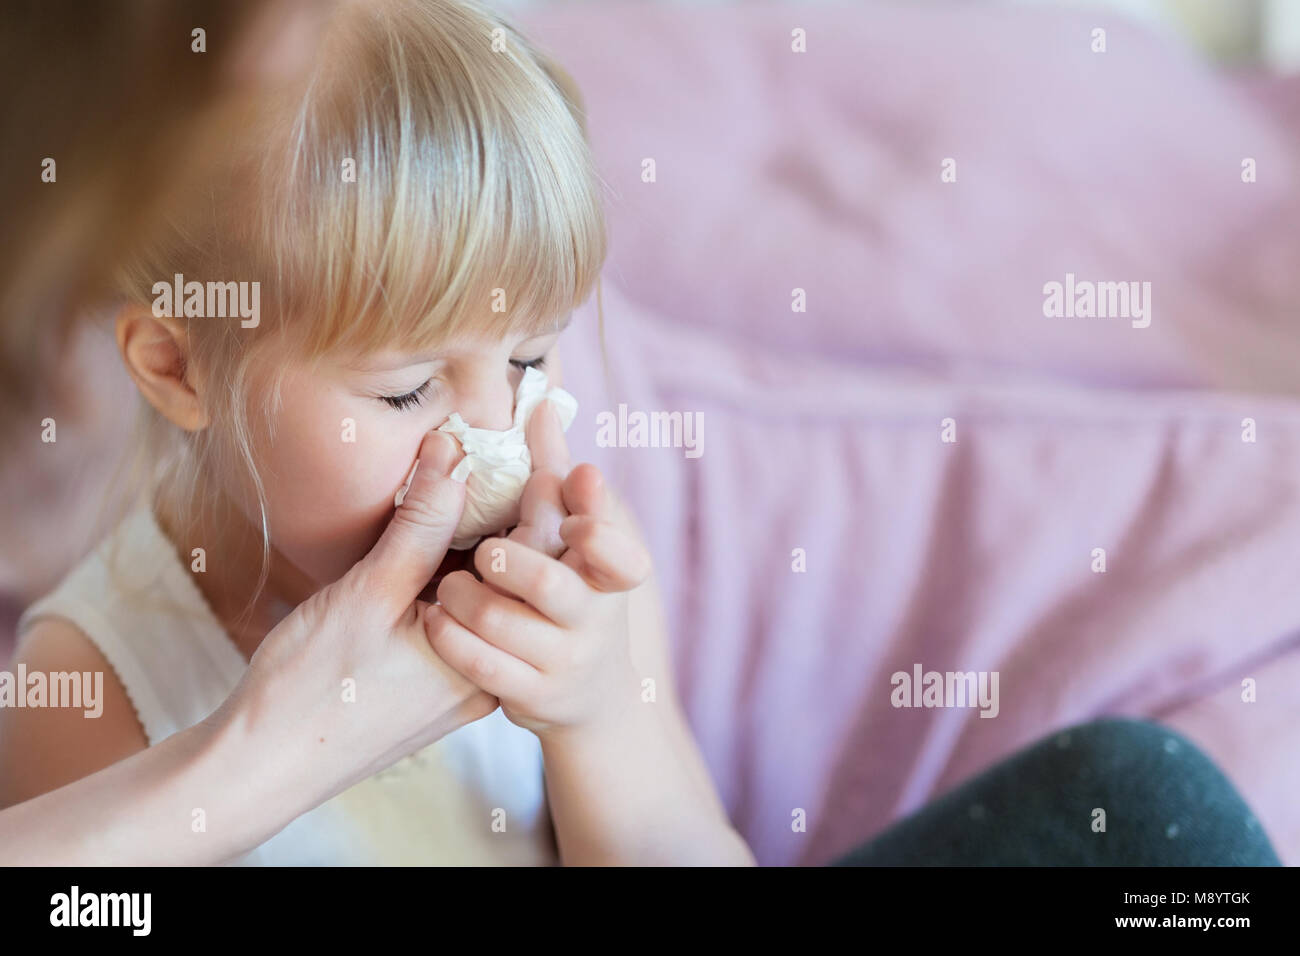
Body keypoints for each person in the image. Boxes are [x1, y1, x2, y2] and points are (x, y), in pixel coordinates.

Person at [0, 0, 755, 866]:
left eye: (531, 360)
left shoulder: (574, 589)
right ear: (179, 368)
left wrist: (604, 713)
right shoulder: (96, 683)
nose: (494, 435)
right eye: (407, 393)